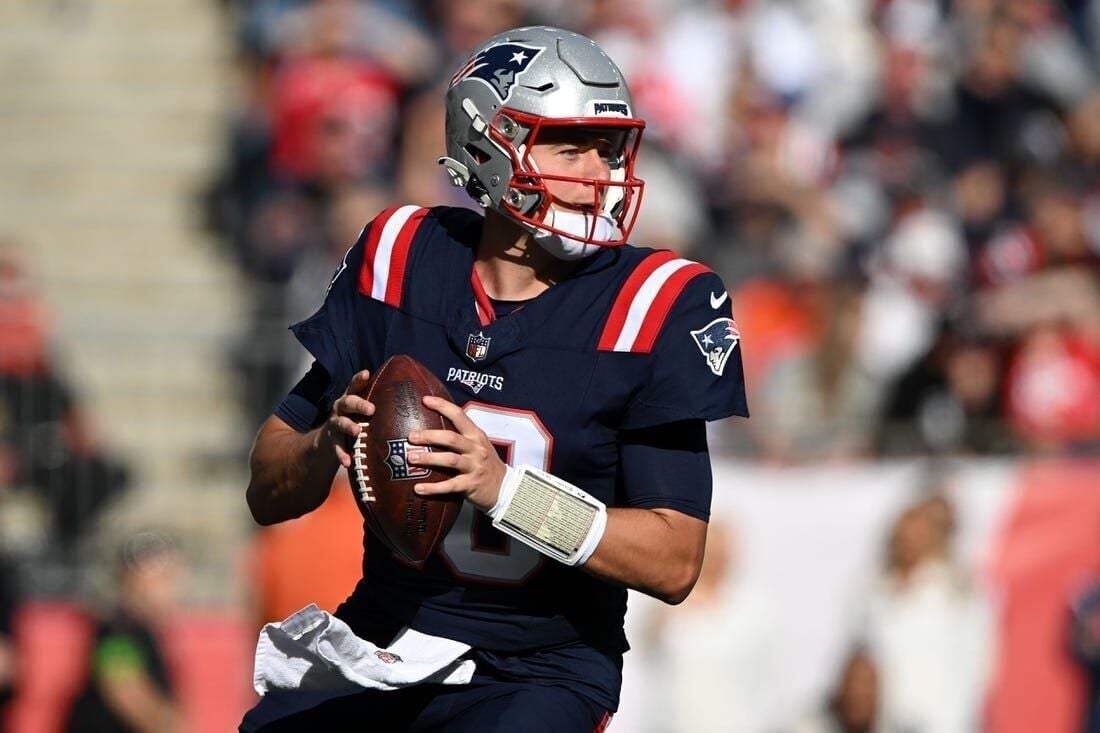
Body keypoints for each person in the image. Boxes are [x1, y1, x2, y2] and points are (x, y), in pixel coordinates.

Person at [241, 25, 748, 732]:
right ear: (488, 146)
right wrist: (327, 441)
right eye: (569, 146)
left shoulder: (656, 301)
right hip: (387, 635)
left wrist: (504, 489)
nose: (599, 173)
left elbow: (674, 559)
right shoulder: (400, 254)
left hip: (540, 667)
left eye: (607, 149)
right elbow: (266, 489)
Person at [65, 531, 186, 733]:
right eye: (164, 579)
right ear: (136, 581)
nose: (173, 589)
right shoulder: (118, 632)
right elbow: (128, 695)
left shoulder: (143, 632)